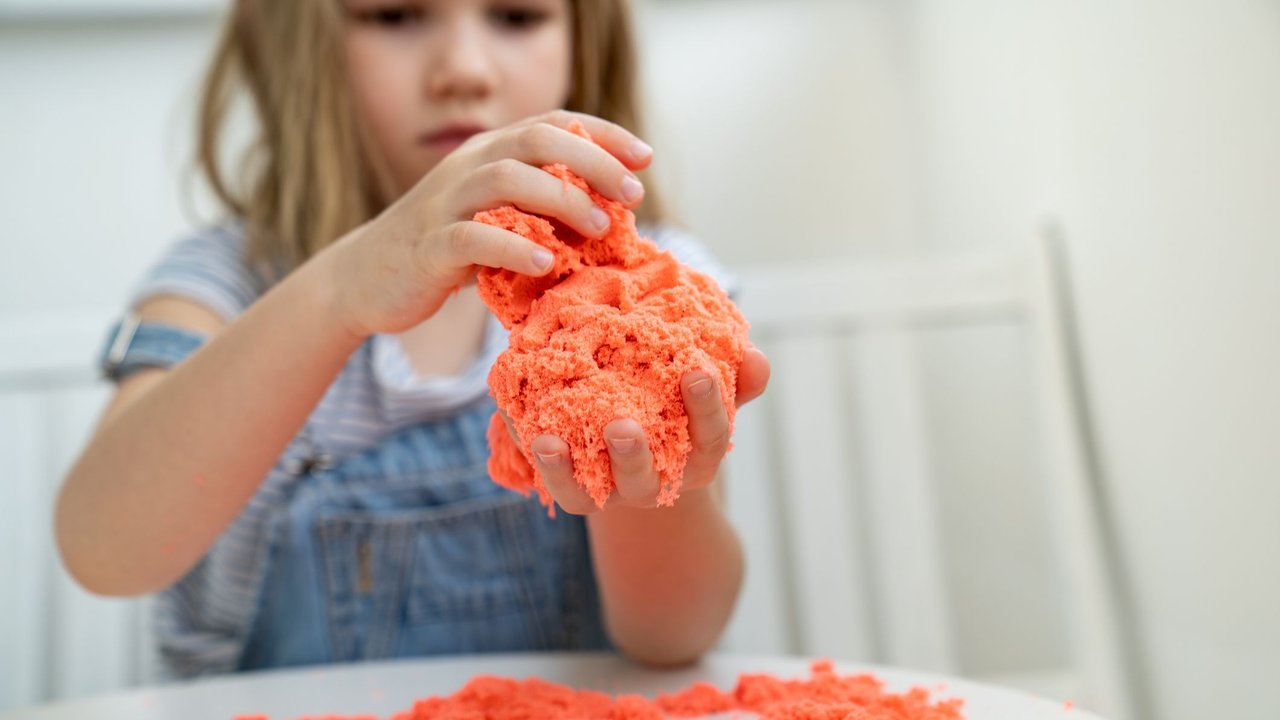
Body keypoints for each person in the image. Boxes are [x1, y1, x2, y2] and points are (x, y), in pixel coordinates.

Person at [54, 0, 770, 679]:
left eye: (517, 15)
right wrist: (337, 293)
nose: (463, 68)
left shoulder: (659, 289)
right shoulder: (228, 285)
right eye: (394, 14)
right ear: (302, 40)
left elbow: (673, 639)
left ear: (587, 37)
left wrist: (633, 476)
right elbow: (103, 553)